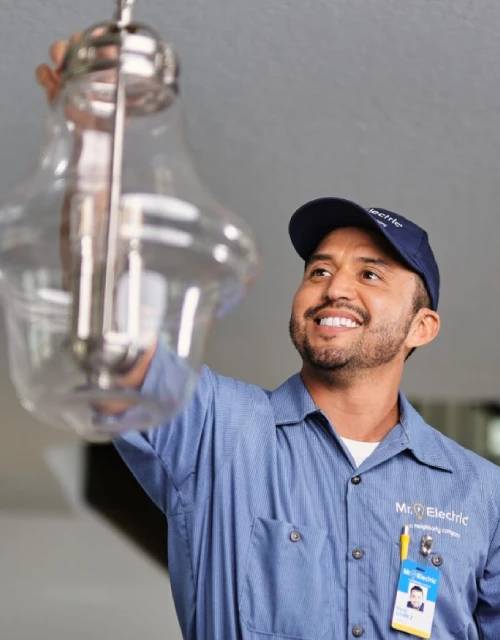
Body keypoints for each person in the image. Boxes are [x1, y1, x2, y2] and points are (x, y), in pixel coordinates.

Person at [37, 41, 500, 640]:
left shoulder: (482, 493)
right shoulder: (214, 429)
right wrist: (94, 148)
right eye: (319, 270)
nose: (334, 288)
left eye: (370, 274)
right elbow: (110, 323)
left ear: (422, 327)